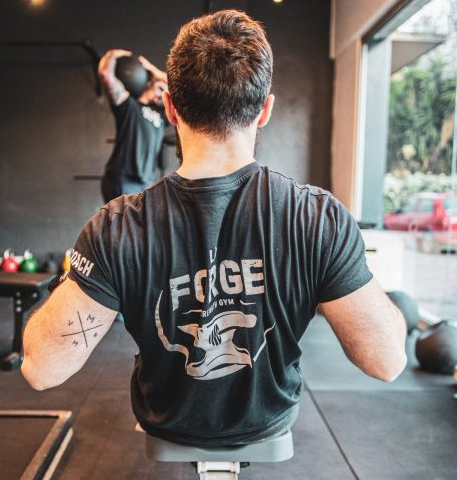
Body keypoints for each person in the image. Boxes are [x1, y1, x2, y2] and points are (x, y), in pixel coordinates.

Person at [22, 10, 407, 447]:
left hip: (164, 419)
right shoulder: (318, 218)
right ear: (265, 111)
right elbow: (388, 361)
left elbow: (40, 368)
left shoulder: (115, 227)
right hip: (269, 420)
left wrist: (74, 278)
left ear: (170, 108)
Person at [99, 50, 168, 202]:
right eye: (160, 89)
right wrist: (111, 55)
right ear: (149, 84)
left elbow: (182, 92)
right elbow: (106, 75)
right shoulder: (130, 106)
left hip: (146, 184)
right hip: (124, 180)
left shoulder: (162, 116)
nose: (161, 95)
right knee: (122, 226)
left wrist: (156, 72)